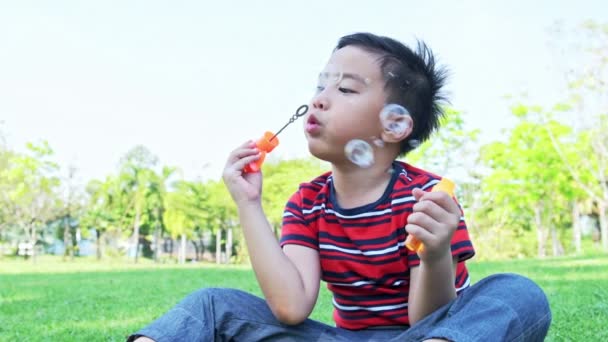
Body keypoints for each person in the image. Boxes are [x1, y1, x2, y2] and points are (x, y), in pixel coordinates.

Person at [127, 32, 551, 342]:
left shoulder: (427, 196)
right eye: (320, 85)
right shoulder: (307, 204)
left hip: (427, 336)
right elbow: (291, 308)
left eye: (345, 88)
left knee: (516, 292)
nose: (319, 99)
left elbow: (427, 319)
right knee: (212, 304)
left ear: (395, 124)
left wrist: (436, 250)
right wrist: (248, 203)